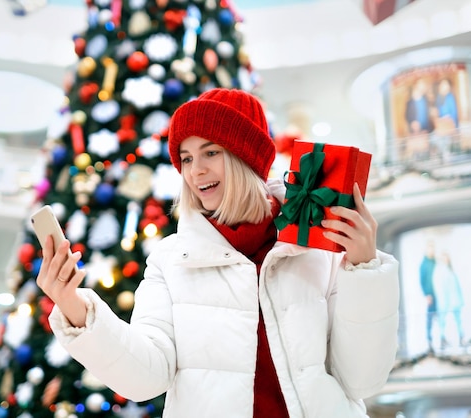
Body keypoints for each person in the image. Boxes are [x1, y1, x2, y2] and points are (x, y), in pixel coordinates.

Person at [37, 88, 400, 418]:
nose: (197, 171)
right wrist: (74, 307)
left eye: (211, 152)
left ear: (248, 158)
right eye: (187, 157)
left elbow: (362, 380)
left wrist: (364, 268)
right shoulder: (171, 259)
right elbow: (145, 378)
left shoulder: (319, 248)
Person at [432, 250, 465, 349]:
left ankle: (461, 338)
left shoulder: (450, 270)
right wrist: (443, 302)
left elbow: (456, 286)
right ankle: (442, 339)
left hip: (455, 300)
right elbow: (441, 289)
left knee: (458, 320)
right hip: (445, 301)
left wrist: (460, 299)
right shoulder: (440, 271)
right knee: (442, 320)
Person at [419, 241, 437, 352]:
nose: (432, 251)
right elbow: (422, 280)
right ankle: (429, 340)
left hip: (438, 294)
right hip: (431, 295)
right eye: (430, 249)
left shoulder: (435, 262)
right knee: (430, 318)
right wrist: (427, 294)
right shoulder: (424, 264)